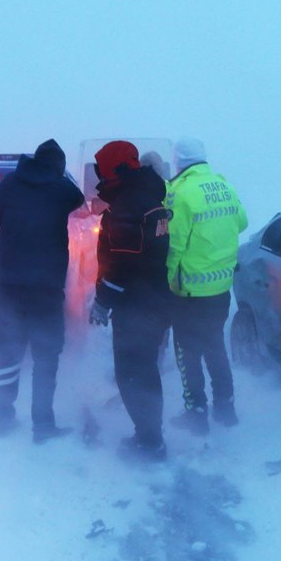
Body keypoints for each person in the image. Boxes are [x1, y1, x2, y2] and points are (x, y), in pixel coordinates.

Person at [0, 139, 84, 443]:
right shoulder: (61, 190)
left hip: (10, 286)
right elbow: (78, 198)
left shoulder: (10, 184)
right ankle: (43, 426)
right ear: (58, 167)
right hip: (46, 289)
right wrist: (57, 177)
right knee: (46, 357)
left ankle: (4, 420)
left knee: (8, 355)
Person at [88, 141, 172, 462]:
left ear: (116, 170)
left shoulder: (126, 210)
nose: (99, 176)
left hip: (136, 307)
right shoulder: (149, 198)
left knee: (132, 373)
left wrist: (102, 301)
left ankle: (149, 441)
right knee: (145, 370)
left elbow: (121, 269)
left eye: (102, 170)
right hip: (154, 300)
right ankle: (151, 436)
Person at [165, 137, 248, 435]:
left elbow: (173, 246)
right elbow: (242, 223)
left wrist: (165, 281)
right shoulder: (223, 185)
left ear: (178, 162)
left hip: (188, 294)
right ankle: (226, 410)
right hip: (221, 289)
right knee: (215, 347)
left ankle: (196, 413)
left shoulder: (179, 193)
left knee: (187, 353)